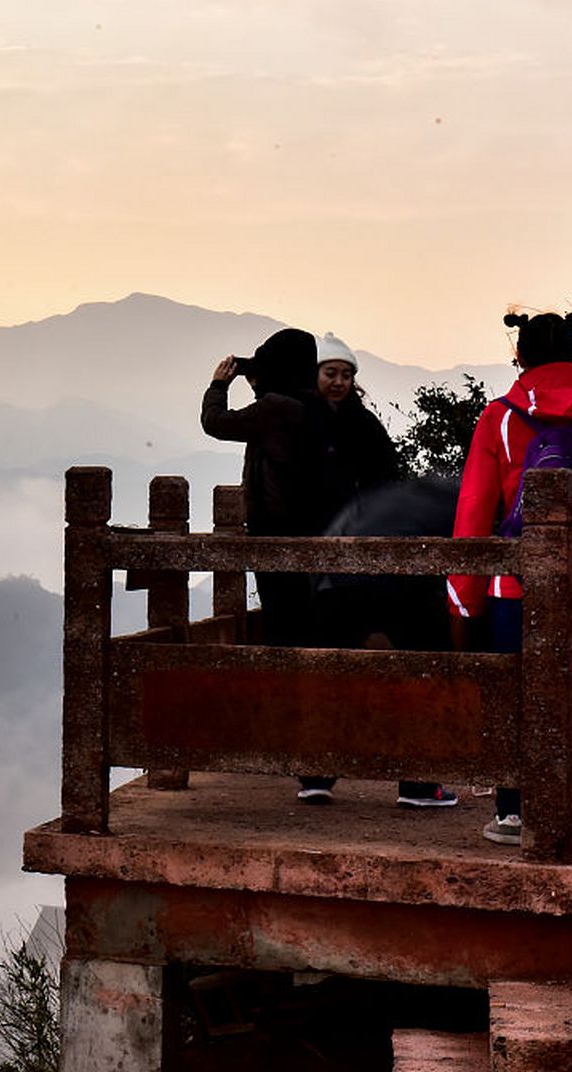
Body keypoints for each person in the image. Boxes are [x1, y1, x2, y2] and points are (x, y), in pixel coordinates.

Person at [448, 307, 572, 850]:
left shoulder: (500, 418)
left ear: (520, 356)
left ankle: (512, 810)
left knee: (515, 693)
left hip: (514, 584)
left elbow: (473, 509)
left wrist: (464, 594)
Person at [309, 333, 457, 808]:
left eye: (346, 375)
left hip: (334, 569)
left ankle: (315, 774)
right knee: (428, 666)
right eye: (330, 373)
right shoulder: (445, 501)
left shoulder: (365, 428)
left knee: (333, 670)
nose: (339, 382)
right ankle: (418, 783)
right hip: (387, 573)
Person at [202, 327, 339, 802]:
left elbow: (216, 423)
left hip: (277, 541)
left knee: (287, 640)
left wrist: (220, 383)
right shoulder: (319, 407)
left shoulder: (277, 409)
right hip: (319, 540)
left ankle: (307, 761)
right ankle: (317, 760)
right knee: (315, 640)